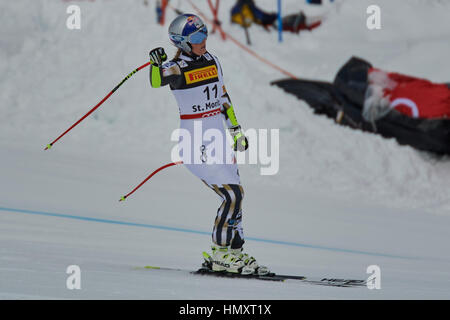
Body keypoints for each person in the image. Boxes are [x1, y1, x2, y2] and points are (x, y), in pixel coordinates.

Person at [148, 13, 268, 275]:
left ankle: (233, 251)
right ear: (182, 42)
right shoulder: (176, 66)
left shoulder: (213, 60)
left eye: (205, 35)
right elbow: (158, 80)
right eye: (197, 37)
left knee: (237, 195)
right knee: (231, 194)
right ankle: (221, 253)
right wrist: (155, 65)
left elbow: (223, 97)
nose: (204, 41)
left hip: (218, 139)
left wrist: (235, 130)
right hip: (195, 143)